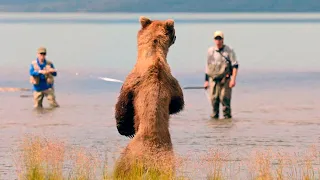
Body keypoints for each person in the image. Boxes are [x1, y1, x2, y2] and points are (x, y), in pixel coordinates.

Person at [204, 31, 239, 119]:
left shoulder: (229, 50)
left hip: (225, 80)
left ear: (223, 40)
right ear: (214, 40)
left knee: (225, 100)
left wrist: (233, 79)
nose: (218, 41)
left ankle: (227, 124)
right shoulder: (210, 51)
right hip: (213, 80)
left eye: (220, 38)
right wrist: (206, 81)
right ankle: (215, 126)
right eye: (216, 39)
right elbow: (208, 66)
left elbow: (235, 65)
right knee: (214, 101)